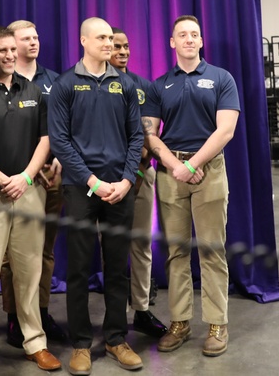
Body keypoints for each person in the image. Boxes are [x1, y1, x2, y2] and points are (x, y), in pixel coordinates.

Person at [48, 17, 144, 375]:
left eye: (111, 37)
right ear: (84, 40)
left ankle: (117, 339)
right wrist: (92, 181)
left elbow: (137, 136)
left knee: (118, 268)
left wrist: (125, 180)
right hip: (80, 189)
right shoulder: (65, 85)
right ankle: (81, 345)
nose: (110, 43)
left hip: (120, 188)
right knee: (78, 268)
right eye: (102, 37)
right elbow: (60, 140)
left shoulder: (126, 84)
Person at [0, 26, 61, 376]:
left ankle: (35, 342)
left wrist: (23, 177)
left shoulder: (35, 90)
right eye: (1, 50)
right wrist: (1, 179)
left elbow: (46, 138)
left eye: (11, 50)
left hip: (29, 192)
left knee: (29, 273)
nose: (9, 56)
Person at [142, 17, 239, 357]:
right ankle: (180, 322)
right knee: (176, 252)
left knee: (212, 249)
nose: (188, 39)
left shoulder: (220, 78)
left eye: (194, 34)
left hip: (208, 171)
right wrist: (176, 166)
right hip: (172, 175)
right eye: (182, 35)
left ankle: (217, 323)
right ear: (172, 42)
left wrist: (193, 164)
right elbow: (150, 133)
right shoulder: (159, 85)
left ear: (201, 41)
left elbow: (225, 130)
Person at [1, 19, 66, 346]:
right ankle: (14, 317)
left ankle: (40, 311)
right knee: (12, 255)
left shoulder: (55, 81)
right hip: (15, 179)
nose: (33, 42)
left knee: (44, 250)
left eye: (36, 36)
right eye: (25, 38)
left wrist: (58, 159)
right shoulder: (1, 81)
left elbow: (65, 127)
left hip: (51, 177)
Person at [109, 27, 167, 339]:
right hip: (106, 179)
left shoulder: (145, 87)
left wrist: (134, 171)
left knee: (141, 244)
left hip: (141, 175)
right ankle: (114, 311)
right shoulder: (95, 85)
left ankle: (142, 309)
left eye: (126, 45)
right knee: (112, 246)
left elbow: (149, 134)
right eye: (116, 45)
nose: (122, 51)